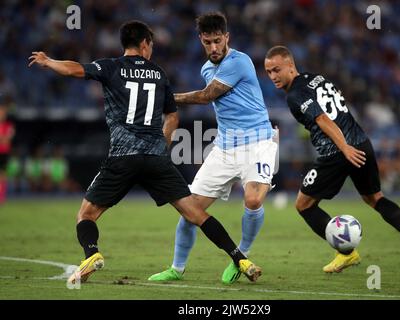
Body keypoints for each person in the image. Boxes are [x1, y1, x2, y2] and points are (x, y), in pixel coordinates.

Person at [28, 20, 262, 285]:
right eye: (151, 45)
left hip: (122, 157)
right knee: (196, 213)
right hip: (155, 158)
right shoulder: (159, 74)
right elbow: (172, 118)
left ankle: (91, 254)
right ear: (144, 44)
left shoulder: (110, 66)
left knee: (86, 214)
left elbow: (74, 70)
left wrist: (49, 61)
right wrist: (160, 147)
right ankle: (239, 258)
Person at [264, 45, 400, 272]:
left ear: (290, 66)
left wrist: (344, 148)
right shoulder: (317, 78)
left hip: (338, 152)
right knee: (375, 198)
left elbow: (322, 118)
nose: (272, 76)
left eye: (276, 70)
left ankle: (346, 253)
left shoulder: (295, 95)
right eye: (269, 72)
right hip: (362, 143)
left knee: (304, 205)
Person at [149, 12, 278, 284]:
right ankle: (177, 268)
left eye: (218, 41)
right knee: (190, 210)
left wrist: (166, 98)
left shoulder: (239, 62)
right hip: (225, 147)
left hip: (258, 142)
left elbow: (207, 96)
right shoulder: (206, 69)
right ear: (201, 41)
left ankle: (242, 255)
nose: (214, 48)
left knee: (253, 200)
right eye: (207, 42)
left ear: (227, 37)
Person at [0, 99, 15, 203]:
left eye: (3, 113)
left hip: (4, 153)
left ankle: (1, 196)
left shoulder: (8, 125)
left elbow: (7, 140)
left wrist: (3, 138)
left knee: (3, 175)